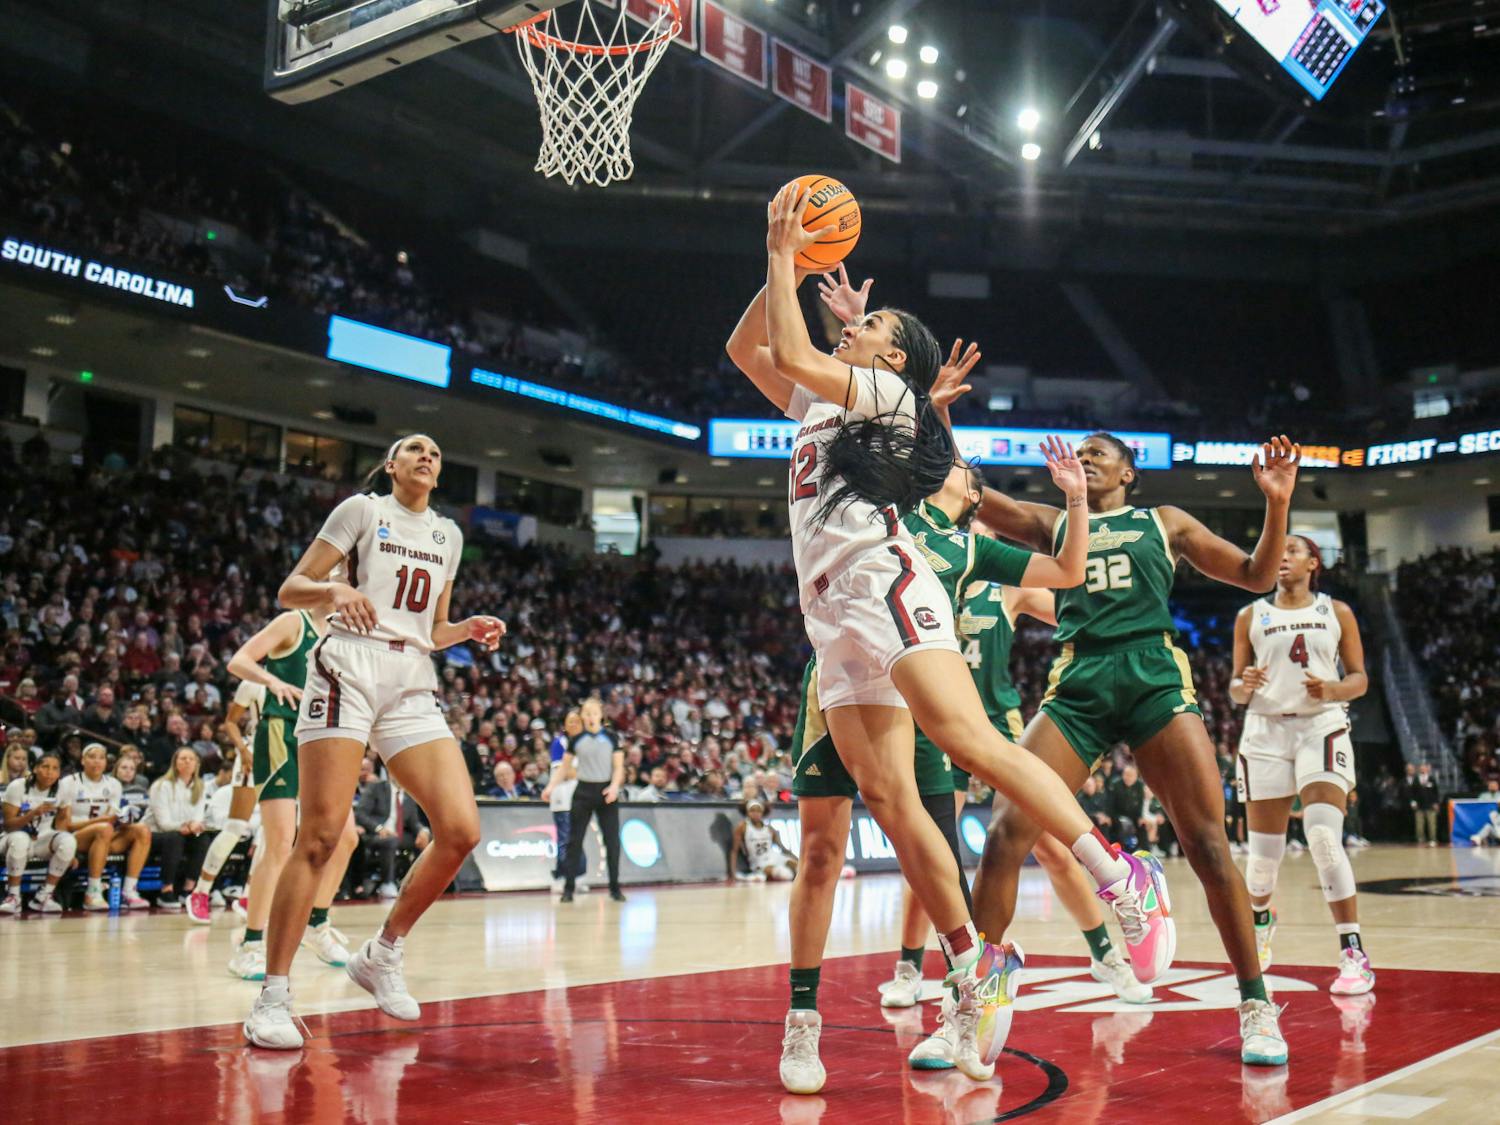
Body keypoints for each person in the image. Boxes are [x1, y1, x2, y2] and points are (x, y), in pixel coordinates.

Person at [726, 191, 1169, 1093]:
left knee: (971, 740)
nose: (852, 318)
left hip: (886, 585)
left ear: (892, 356)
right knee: (893, 803)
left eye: (873, 319)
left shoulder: (884, 390)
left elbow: (800, 350)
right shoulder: (823, 403)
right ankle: (973, 965)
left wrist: (785, 253)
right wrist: (798, 266)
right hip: (830, 616)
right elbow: (750, 351)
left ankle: (1118, 872)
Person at [970, 429, 1302, 1067]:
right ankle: (972, 1000)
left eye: (1100, 452)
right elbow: (973, 496)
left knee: (1207, 843)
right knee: (1005, 831)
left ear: (1129, 472)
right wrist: (936, 415)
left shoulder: (1164, 521)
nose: (1086, 458)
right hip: (1080, 681)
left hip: (1152, 674)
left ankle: (1256, 1005)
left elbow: (1256, 575)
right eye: (1081, 452)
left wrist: (1277, 502)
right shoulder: (1054, 522)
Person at [244, 433, 504, 1050]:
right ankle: (272, 998)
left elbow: (432, 628)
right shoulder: (363, 510)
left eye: (437, 453)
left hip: (411, 677)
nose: (426, 456)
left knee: (461, 829)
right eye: (414, 449)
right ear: (392, 465)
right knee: (322, 835)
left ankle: (382, 953)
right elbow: (291, 589)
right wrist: (333, 589)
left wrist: (463, 628)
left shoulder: (449, 535)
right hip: (348, 666)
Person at [897, 574, 1152, 1073]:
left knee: (1051, 849)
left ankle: (1105, 955)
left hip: (995, 721)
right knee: (931, 849)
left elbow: (1075, 613)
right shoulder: (927, 577)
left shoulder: (1004, 589)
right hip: (935, 719)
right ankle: (910, 966)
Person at [1230, 534, 1373, 996]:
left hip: (1321, 726)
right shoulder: (1250, 615)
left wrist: (1332, 690)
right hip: (1265, 731)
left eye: (1293, 550)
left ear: (1314, 562)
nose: (1283, 557)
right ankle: (1262, 918)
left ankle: (1353, 953)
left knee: (1324, 837)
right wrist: (1243, 683)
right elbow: (1235, 689)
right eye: (1279, 552)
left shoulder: (1337, 611)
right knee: (1261, 865)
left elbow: (1359, 680)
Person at [221, 600, 358, 981]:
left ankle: (316, 923)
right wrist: (272, 681)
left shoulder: (347, 633)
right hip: (281, 732)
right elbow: (240, 661)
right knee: (280, 843)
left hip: (327, 737)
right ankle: (249, 944)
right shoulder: (293, 623)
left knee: (346, 838)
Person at [56, 742, 151, 910]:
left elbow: (111, 819)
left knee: (142, 830)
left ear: (106, 762)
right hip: (74, 837)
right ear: (83, 760)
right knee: (104, 828)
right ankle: (92, 892)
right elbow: (65, 825)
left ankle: (129, 891)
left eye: (101, 758)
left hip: (104, 837)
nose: (97, 761)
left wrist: (124, 819)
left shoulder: (114, 784)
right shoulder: (68, 782)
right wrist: (100, 822)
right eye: (92, 757)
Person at [553, 697, 625, 904]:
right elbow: (564, 768)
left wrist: (613, 786)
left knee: (612, 841)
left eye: (594, 713)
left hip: (606, 793)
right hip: (583, 792)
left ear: (601, 715)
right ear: (582, 716)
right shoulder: (576, 740)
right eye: (586, 713)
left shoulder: (612, 737)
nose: (591, 717)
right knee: (574, 841)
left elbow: (619, 767)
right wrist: (551, 787)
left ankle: (615, 887)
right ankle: (569, 887)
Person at [1, 750, 76, 914]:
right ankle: (13, 897)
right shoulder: (18, 786)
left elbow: (63, 819)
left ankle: (44, 896)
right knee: (20, 839)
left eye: (55, 768)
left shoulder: (63, 788)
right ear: (35, 769)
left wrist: (69, 854)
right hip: (11, 838)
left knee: (69, 841)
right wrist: (32, 814)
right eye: (45, 767)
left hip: (42, 839)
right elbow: (8, 825)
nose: (50, 772)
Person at [353, 758, 430, 899]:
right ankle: (387, 883)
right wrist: (378, 828)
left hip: (398, 835)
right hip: (375, 835)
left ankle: (418, 882)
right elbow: (360, 813)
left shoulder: (409, 795)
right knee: (390, 841)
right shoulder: (376, 788)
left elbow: (414, 822)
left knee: (426, 840)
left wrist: (422, 831)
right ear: (390, 773)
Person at [148, 747, 211, 909]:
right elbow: (163, 823)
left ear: (197, 764)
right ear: (175, 763)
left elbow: (198, 816)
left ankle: (188, 889)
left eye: (191, 759)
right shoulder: (162, 785)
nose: (187, 761)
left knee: (203, 839)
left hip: (183, 833)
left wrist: (194, 825)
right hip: (155, 834)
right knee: (174, 838)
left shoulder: (200, 787)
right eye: (183, 758)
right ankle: (166, 890)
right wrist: (185, 826)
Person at [542, 711, 585, 890]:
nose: (574, 724)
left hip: (580, 799)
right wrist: (584, 772)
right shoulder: (559, 743)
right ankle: (562, 877)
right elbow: (563, 772)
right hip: (562, 800)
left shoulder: (585, 744)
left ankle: (579, 876)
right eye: (570, 722)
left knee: (578, 839)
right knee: (565, 840)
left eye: (577, 721)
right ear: (565, 726)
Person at [731, 799, 796, 881]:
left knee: (798, 867)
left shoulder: (769, 829)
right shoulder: (743, 827)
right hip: (759, 862)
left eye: (758, 811)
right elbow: (734, 851)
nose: (755, 814)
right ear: (747, 812)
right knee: (785, 874)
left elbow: (782, 848)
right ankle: (752, 876)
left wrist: (796, 859)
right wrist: (732, 874)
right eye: (752, 811)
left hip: (774, 856)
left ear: (762, 813)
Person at [1408, 762, 1442, 846]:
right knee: (1419, 824)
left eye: (1424, 768)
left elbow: (1436, 792)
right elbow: (1412, 792)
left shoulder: (1431, 779)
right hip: (1419, 806)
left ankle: (1433, 839)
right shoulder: (1416, 779)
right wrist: (1413, 802)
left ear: (1427, 769)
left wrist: (1436, 803)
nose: (1422, 769)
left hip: (1430, 805)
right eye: (1421, 768)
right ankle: (1420, 839)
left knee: (1432, 824)